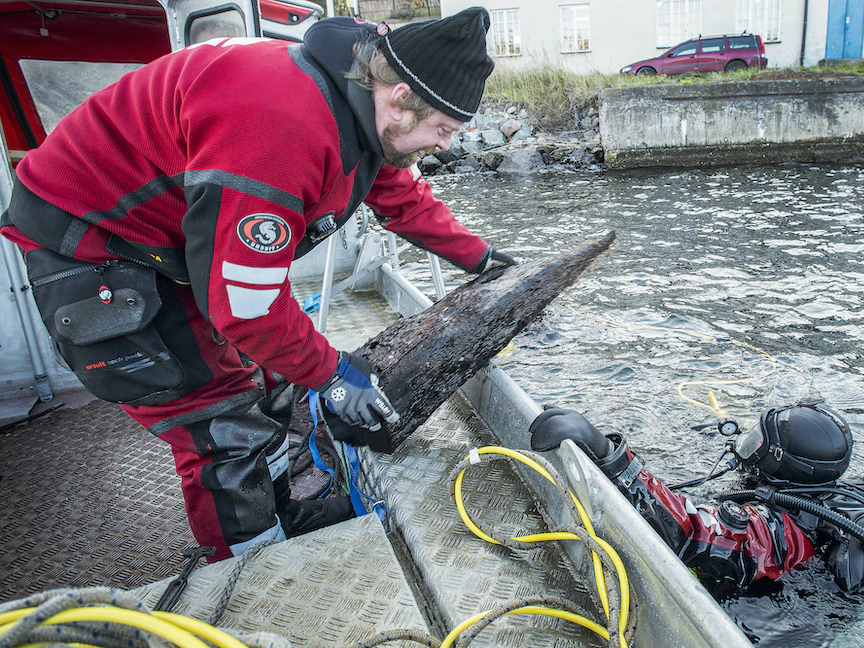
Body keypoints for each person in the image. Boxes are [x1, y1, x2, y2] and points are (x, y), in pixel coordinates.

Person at [0, 7, 515, 561]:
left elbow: (401, 197)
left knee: (271, 382)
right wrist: (335, 375)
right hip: (95, 239)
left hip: (173, 238)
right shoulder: (278, 128)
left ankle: (279, 514)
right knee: (219, 421)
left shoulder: (363, 105)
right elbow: (247, 308)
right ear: (400, 99)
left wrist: (483, 259)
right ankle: (252, 567)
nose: (444, 145)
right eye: (442, 130)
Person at [529, 400, 864, 596]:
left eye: (757, 445)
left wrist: (609, 455)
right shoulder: (838, 497)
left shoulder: (782, 534)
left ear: (783, 464)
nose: (746, 450)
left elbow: (694, 534)